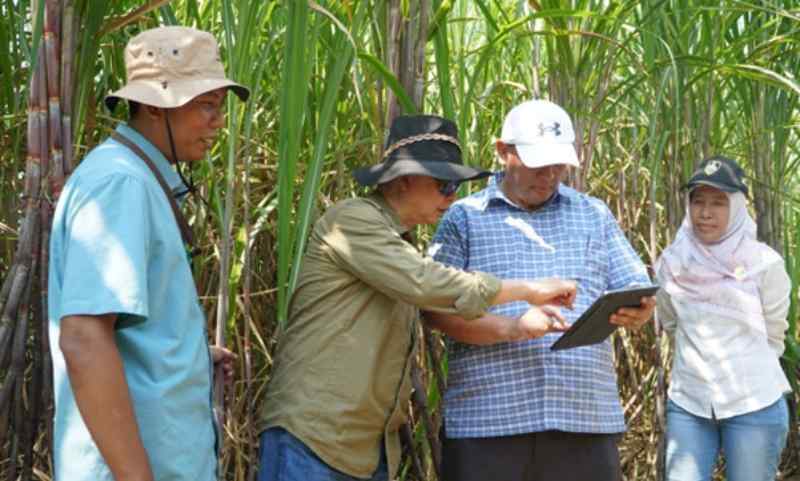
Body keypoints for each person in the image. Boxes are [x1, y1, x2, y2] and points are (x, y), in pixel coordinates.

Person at [257, 114, 579, 481]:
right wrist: (528, 289)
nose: (453, 197)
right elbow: (428, 284)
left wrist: (516, 326)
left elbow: (428, 294)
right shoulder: (352, 221)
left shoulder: (399, 243)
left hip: (362, 448)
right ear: (405, 179)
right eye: (444, 185)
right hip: (312, 439)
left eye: (456, 186)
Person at [48, 26, 248, 481]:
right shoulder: (122, 184)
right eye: (207, 105)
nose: (219, 121)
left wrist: (185, 352)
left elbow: (119, 328)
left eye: (220, 105)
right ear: (156, 106)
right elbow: (84, 338)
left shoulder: (134, 178)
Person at [425, 99, 656, 481]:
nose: (549, 174)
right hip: (488, 422)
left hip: (583, 417)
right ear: (503, 151)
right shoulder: (464, 218)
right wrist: (514, 326)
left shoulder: (593, 214)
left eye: (559, 164)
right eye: (537, 162)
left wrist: (639, 309)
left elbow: (633, 282)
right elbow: (434, 310)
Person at [655, 156, 791, 481]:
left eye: (718, 203)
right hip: (689, 403)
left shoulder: (764, 264)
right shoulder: (672, 264)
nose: (705, 213)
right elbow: (672, 323)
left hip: (753, 402)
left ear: (738, 206)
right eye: (697, 201)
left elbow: (774, 334)